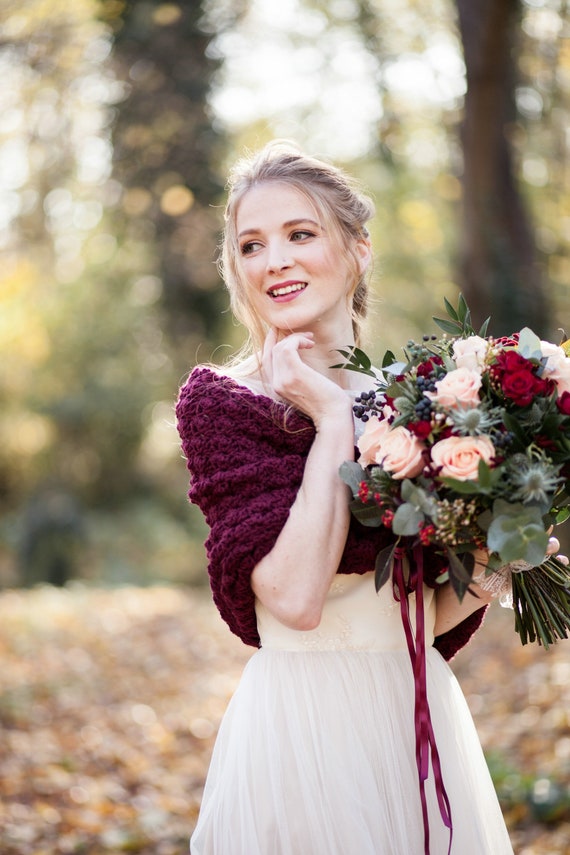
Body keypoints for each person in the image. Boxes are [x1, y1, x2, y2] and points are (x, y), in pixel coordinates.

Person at [175, 141, 559, 854]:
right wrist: (330, 421)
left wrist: (499, 556)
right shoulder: (222, 403)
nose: (275, 260)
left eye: (300, 234)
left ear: (357, 250)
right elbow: (293, 598)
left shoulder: (422, 400)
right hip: (300, 727)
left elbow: (423, 612)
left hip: (415, 714)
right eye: (251, 245)